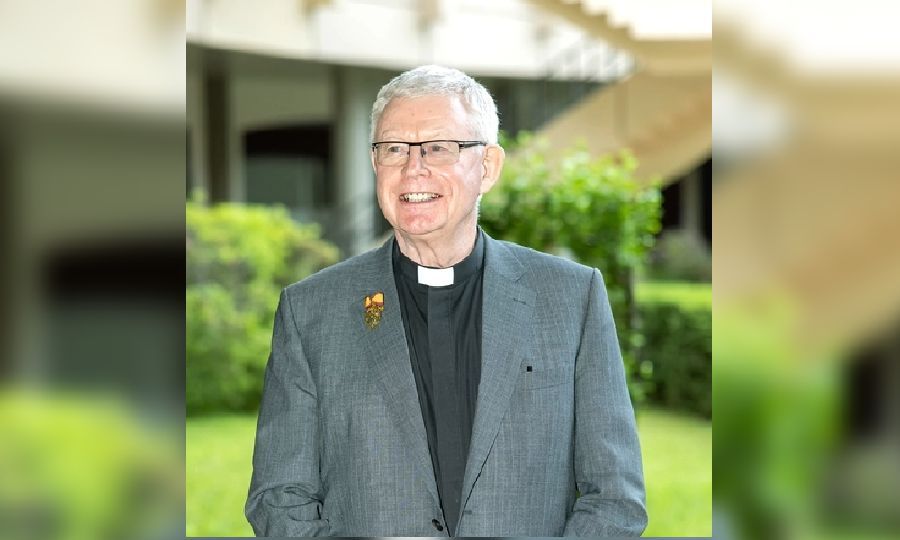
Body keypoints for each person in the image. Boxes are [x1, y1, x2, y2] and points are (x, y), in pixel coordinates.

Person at [245, 65, 646, 537]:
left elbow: (615, 497)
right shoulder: (310, 310)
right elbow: (278, 498)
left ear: (488, 167)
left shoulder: (570, 299)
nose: (414, 168)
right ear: (376, 165)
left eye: (439, 147)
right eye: (393, 149)